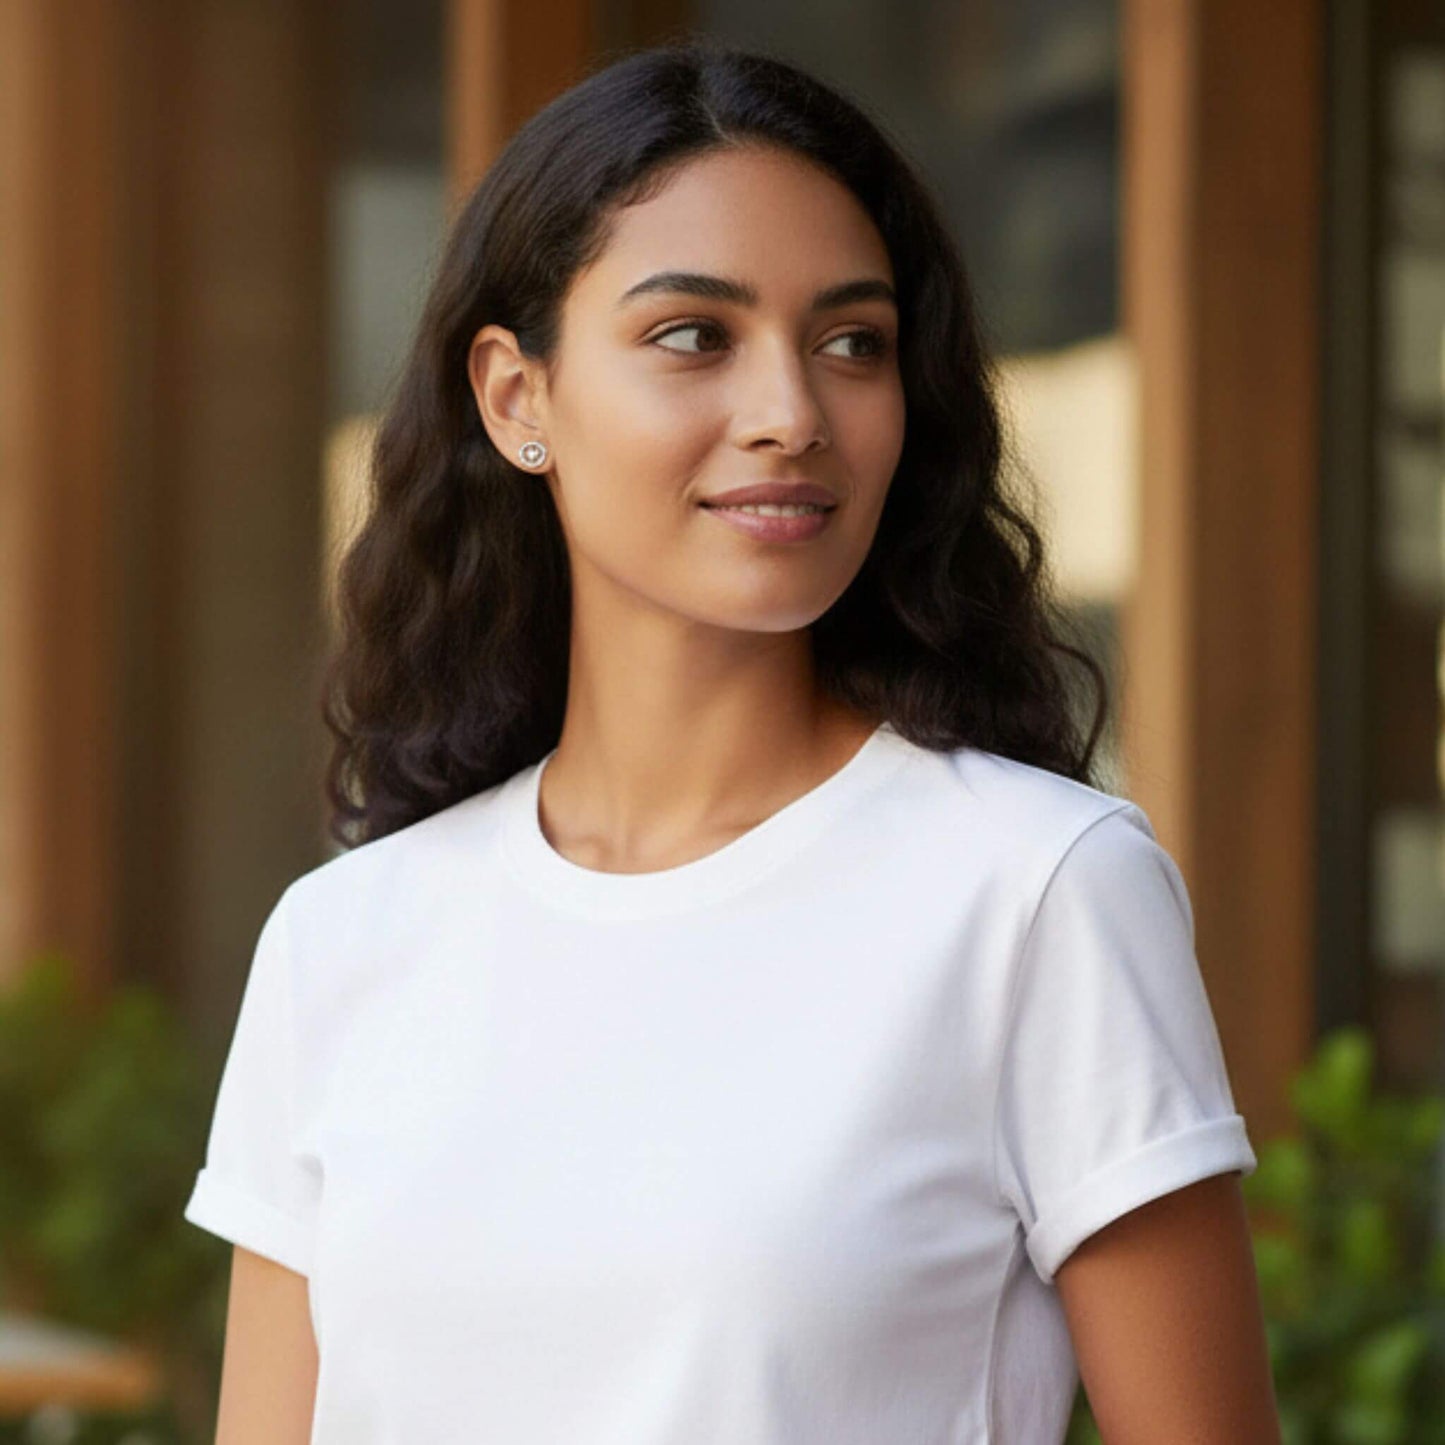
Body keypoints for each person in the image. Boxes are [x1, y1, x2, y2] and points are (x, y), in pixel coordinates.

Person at [183, 36, 1281, 1445]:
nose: (790, 415)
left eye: (851, 343)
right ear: (518, 398)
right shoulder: (344, 943)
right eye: (694, 335)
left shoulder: (1035, 890)